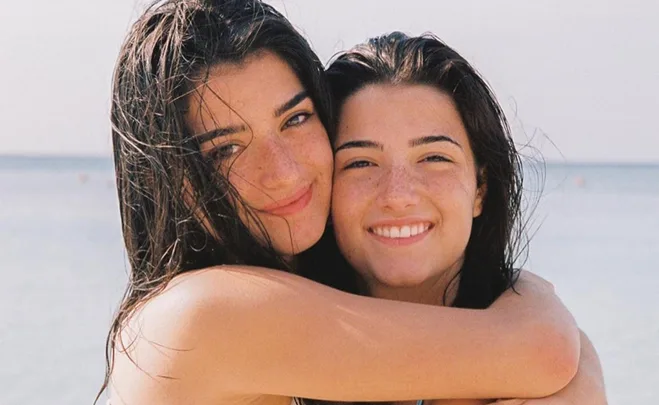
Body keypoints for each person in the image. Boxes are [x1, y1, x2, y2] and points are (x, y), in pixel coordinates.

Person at [100, 1, 581, 404]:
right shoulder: (196, 318)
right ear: (172, 177)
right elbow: (543, 350)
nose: (284, 171)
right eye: (226, 148)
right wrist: (537, 301)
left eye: (296, 119)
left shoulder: (319, 328)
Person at [324, 32, 606, 404]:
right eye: (361, 162)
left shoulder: (559, 369)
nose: (397, 196)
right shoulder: (269, 341)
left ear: (480, 189)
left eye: (434, 158)